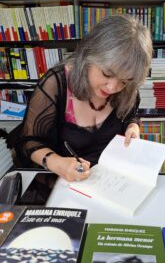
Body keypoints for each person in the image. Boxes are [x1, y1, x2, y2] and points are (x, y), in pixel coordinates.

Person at [18, 15, 153, 182]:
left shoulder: (128, 88)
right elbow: (29, 141)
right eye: (107, 74)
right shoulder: (56, 84)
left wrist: (132, 127)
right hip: (63, 184)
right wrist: (58, 163)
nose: (112, 88)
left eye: (124, 81)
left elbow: (131, 114)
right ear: (89, 56)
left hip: (112, 182)